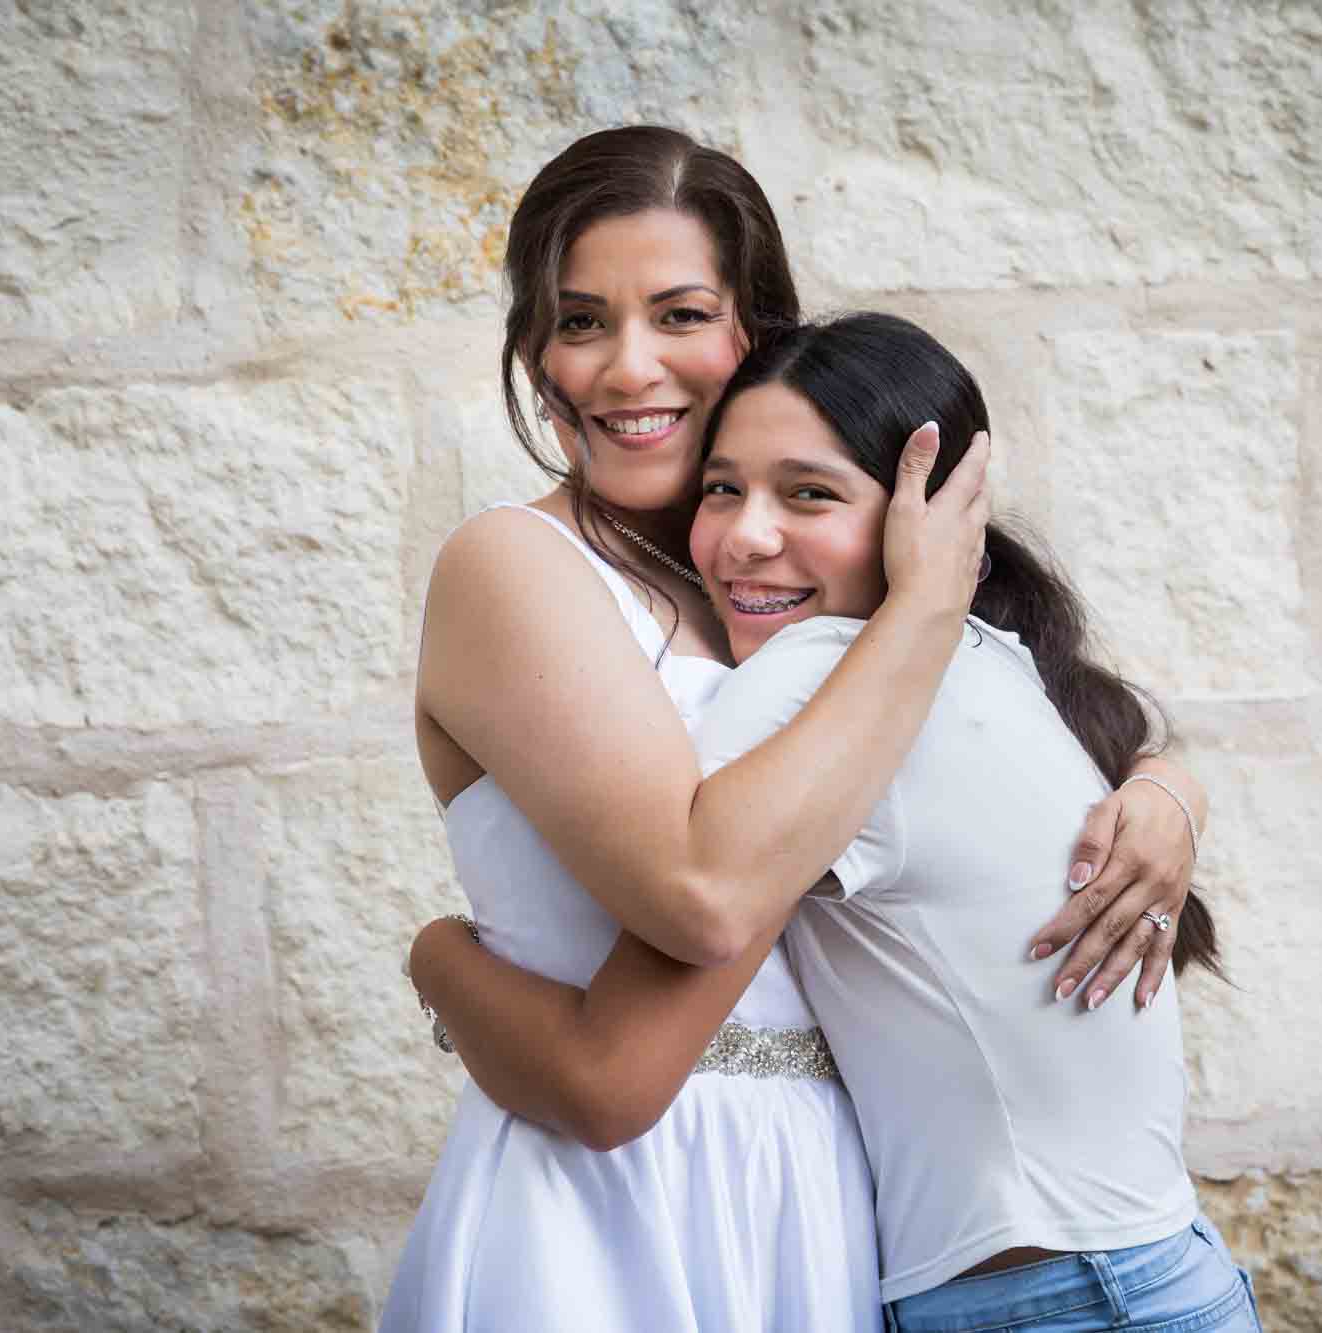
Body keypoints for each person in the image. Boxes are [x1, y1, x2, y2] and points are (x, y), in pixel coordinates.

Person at [383, 127, 1208, 1332]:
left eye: (677, 314)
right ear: (534, 356)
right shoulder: (517, 565)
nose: (626, 367)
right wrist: (433, 957)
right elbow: (697, 899)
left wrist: (1170, 788)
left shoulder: (792, 589)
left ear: (754, 332)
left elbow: (1018, 741)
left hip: (835, 1198)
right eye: (579, 323)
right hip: (623, 1200)